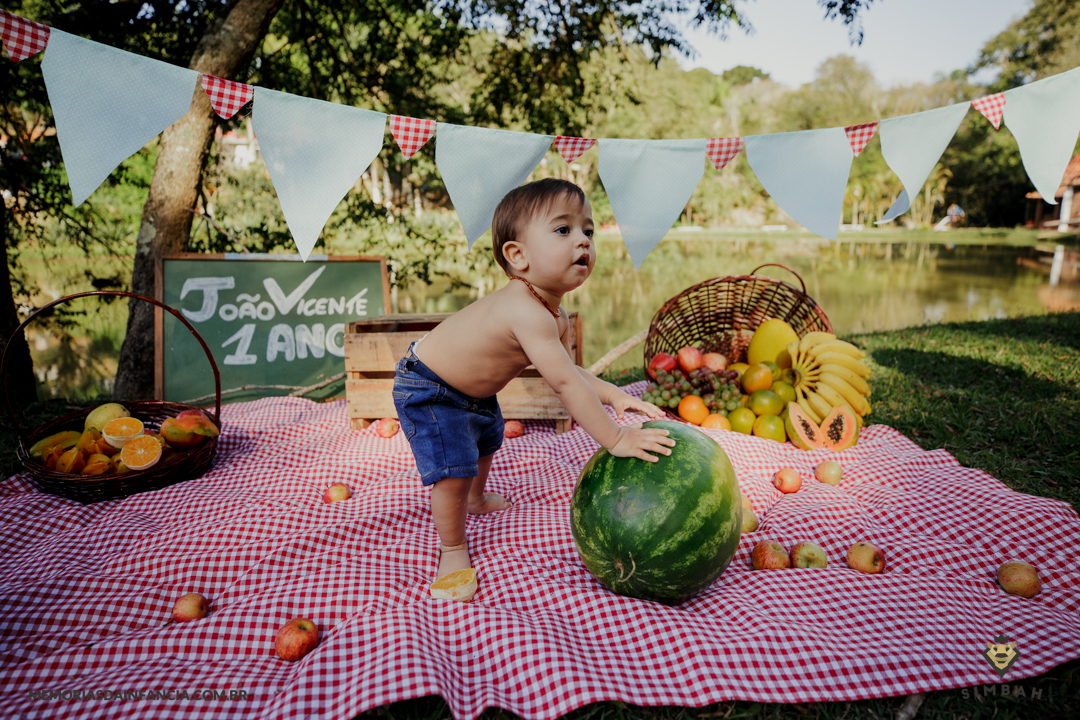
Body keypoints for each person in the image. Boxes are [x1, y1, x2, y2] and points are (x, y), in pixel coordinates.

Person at [393, 178, 675, 601]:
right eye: (564, 230)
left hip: (474, 393)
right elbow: (562, 385)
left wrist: (614, 395)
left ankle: (475, 500)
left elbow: (571, 372)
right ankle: (451, 548)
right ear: (518, 256)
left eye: (588, 231)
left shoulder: (552, 313)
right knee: (453, 469)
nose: (582, 240)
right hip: (430, 387)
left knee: (486, 443)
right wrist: (615, 437)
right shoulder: (525, 311)